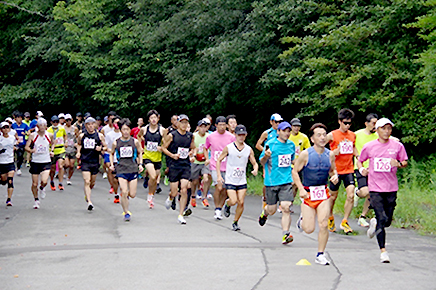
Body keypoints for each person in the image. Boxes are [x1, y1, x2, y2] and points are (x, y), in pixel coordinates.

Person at [358, 118, 408, 263]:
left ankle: (375, 222)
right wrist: (362, 169)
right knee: (382, 218)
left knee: (387, 221)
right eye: (383, 128)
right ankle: (383, 251)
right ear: (377, 130)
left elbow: (404, 161)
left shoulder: (397, 146)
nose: (386, 131)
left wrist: (398, 164)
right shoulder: (369, 146)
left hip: (391, 187)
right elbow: (360, 160)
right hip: (375, 188)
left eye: (389, 129)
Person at [293, 123, 339, 265]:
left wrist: (335, 176)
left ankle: (320, 254)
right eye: (318, 135)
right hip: (308, 194)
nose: (322, 137)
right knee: (309, 229)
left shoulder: (330, 154)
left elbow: (332, 170)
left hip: (323, 193)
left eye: (324, 134)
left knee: (324, 224)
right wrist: (300, 189)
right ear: (312, 139)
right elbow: (294, 171)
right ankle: (302, 222)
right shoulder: (306, 154)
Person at [258, 121, 295, 244]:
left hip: (286, 181)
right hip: (272, 182)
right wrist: (266, 156)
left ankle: (286, 234)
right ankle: (265, 213)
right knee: (272, 209)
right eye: (284, 131)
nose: (287, 133)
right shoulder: (270, 144)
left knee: (286, 207)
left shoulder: (291, 145)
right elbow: (262, 162)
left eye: (289, 131)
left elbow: (293, 161)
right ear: (278, 132)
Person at [217, 125, 258, 231]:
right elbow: (219, 160)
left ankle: (235, 221)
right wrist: (218, 175)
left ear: (246, 135)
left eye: (243, 135)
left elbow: (254, 162)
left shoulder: (248, 149)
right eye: (239, 135)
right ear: (235, 135)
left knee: (241, 202)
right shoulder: (229, 148)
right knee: (234, 200)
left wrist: (255, 169)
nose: (241, 137)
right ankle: (228, 204)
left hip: (241, 180)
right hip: (230, 179)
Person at [326, 108, 358, 234]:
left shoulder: (352, 135)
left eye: (349, 123)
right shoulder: (332, 135)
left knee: (351, 195)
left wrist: (358, 156)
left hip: (349, 169)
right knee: (333, 196)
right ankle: (330, 216)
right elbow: (321, 149)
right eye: (345, 123)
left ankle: (345, 221)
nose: (347, 125)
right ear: (339, 121)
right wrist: (333, 152)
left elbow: (353, 148)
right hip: (336, 171)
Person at [162, 114, 195, 224]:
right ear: (178, 123)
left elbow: (193, 148)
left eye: (186, 123)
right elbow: (163, 148)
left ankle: (181, 214)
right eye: (182, 122)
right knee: (174, 191)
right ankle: (171, 198)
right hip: (174, 165)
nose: (184, 125)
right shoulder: (172, 135)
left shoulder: (190, 136)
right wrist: (172, 155)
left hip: (185, 165)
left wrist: (191, 154)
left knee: (184, 189)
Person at [109, 118, 143, 221]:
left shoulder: (135, 141)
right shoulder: (116, 143)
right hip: (121, 169)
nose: (126, 132)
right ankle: (126, 212)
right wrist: (111, 164)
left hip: (132, 168)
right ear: (120, 130)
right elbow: (111, 153)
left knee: (132, 194)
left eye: (127, 129)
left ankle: (125, 197)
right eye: (123, 129)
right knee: (124, 191)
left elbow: (140, 152)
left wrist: (140, 164)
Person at [204, 116, 236, 220]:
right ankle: (217, 209)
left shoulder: (231, 137)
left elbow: (235, 149)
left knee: (226, 189)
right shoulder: (211, 136)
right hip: (215, 165)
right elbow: (205, 147)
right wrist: (207, 158)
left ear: (226, 126)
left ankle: (221, 207)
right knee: (219, 187)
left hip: (227, 166)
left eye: (224, 125)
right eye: (220, 125)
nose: (222, 127)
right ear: (216, 125)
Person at [353, 113, 379, 227]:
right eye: (373, 123)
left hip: (374, 169)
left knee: (372, 193)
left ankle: (362, 217)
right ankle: (357, 193)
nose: (375, 126)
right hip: (360, 167)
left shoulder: (378, 135)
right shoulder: (357, 134)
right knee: (365, 192)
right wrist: (357, 156)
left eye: (376, 123)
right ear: (366, 124)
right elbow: (350, 144)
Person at [76, 117, 107, 210]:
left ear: (95, 125)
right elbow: (78, 144)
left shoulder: (99, 136)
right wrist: (78, 152)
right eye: (88, 124)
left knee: (92, 183)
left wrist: (101, 149)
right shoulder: (82, 136)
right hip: (85, 161)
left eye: (92, 124)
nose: (90, 126)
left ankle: (87, 193)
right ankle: (89, 201)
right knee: (87, 181)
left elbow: (105, 147)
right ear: (85, 125)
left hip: (95, 161)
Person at [137, 110, 166, 209]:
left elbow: (166, 142)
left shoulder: (162, 130)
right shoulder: (144, 129)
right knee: (153, 177)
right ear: (148, 119)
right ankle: (150, 195)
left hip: (157, 158)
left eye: (155, 117)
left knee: (155, 179)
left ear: (158, 119)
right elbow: (138, 136)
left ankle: (151, 195)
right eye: (151, 118)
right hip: (147, 156)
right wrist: (140, 147)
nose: (153, 120)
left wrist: (161, 148)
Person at [25, 118, 55, 209]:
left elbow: (53, 143)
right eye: (40, 125)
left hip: (46, 161)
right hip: (35, 161)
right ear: (37, 126)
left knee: (44, 181)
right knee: (34, 184)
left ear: (46, 126)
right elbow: (26, 147)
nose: (42, 127)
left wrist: (52, 150)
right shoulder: (33, 136)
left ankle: (42, 188)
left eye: (44, 125)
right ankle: (36, 200)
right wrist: (31, 150)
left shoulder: (49, 135)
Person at [255, 113, 283, 209]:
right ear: (271, 122)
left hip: (279, 159)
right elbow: (258, 145)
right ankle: (265, 199)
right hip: (268, 160)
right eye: (276, 122)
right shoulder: (267, 133)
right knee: (267, 179)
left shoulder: (283, 132)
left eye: (280, 122)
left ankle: (280, 202)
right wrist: (265, 152)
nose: (278, 124)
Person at [288, 118, 311, 201]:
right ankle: (285, 201)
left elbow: (309, 150)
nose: (296, 128)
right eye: (294, 126)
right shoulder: (287, 136)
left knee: (297, 185)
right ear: (291, 127)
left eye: (298, 126)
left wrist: (303, 153)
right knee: (292, 183)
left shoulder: (304, 137)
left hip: (300, 164)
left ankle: (290, 201)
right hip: (289, 163)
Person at [190, 118, 211, 208]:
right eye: (201, 127)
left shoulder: (209, 136)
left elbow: (211, 147)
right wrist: (192, 154)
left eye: (204, 127)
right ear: (198, 127)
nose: (203, 129)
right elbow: (191, 147)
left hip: (205, 160)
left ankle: (204, 197)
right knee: (194, 181)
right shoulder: (193, 136)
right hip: (196, 160)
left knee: (206, 178)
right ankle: (193, 196)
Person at [47, 115, 67, 191]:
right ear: (51, 122)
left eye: (57, 122)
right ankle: (52, 180)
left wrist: (66, 141)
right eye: (54, 122)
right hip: (52, 151)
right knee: (52, 168)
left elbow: (65, 135)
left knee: (61, 165)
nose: (55, 123)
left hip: (61, 149)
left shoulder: (62, 128)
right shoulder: (49, 130)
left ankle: (60, 182)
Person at [104, 116, 121, 202]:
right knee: (114, 176)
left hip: (123, 159)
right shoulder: (109, 135)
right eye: (115, 123)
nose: (117, 125)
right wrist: (110, 150)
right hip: (112, 157)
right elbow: (106, 146)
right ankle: (116, 192)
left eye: (118, 123)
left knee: (122, 177)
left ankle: (123, 191)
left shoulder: (123, 134)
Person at [0, 122, 17, 206]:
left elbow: (14, 145)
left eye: (7, 127)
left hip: (10, 161)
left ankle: (9, 199)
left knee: (10, 180)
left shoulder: (12, 138)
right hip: (1, 161)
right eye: (4, 128)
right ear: (1, 129)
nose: (6, 129)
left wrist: (15, 148)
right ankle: (3, 181)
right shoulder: (0, 139)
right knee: (3, 180)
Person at [11, 112, 29, 176]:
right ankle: (12, 168)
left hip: (22, 143)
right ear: (15, 118)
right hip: (14, 143)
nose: (20, 119)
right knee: (12, 155)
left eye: (21, 118)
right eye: (18, 118)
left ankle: (18, 167)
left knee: (20, 156)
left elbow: (29, 132)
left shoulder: (24, 125)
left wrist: (26, 134)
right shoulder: (13, 125)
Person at [64, 114, 78, 185]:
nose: (68, 121)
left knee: (72, 165)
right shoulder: (63, 128)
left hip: (72, 148)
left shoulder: (74, 128)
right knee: (67, 164)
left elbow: (77, 137)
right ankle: (64, 171)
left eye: (70, 120)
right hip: (65, 148)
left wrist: (77, 144)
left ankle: (69, 178)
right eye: (67, 120)